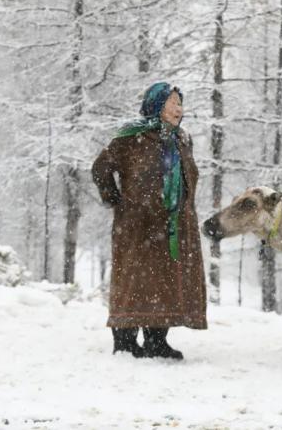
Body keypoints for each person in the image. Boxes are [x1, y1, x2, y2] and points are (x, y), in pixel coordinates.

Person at [92, 82, 207, 359]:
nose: (178, 109)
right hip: (138, 226)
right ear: (156, 106)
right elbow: (101, 168)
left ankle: (157, 340)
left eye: (180, 103)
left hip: (173, 226)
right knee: (134, 280)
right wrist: (115, 199)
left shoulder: (182, 139)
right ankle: (125, 340)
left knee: (164, 283)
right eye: (172, 103)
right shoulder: (131, 137)